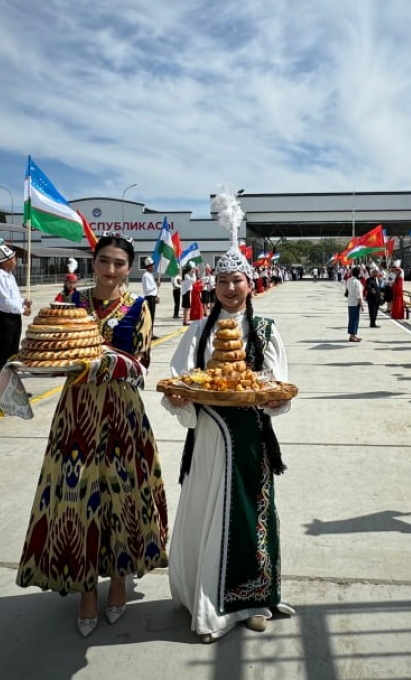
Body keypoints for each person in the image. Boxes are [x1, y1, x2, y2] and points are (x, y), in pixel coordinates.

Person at [17, 236, 168, 637]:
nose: (111, 269)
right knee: (76, 499)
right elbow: (52, 350)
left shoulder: (139, 308)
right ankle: (85, 588)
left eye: (119, 263)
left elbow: (141, 366)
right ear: (93, 262)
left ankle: (118, 580)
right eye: (104, 261)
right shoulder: (70, 302)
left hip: (122, 413)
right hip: (77, 413)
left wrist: (107, 359)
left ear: (129, 267)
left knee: (122, 497)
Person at [161, 231, 293, 643]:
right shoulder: (198, 331)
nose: (230, 289)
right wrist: (184, 396)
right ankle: (210, 600)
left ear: (251, 284)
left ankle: (252, 600)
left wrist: (265, 392)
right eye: (223, 282)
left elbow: (279, 387)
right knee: (207, 512)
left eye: (238, 281)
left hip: (252, 439)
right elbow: (181, 383)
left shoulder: (266, 330)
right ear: (212, 286)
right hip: (209, 438)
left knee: (251, 518)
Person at [0, 245, 32, 399]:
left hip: (14, 317)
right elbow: (4, 301)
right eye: (13, 258)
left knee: (13, 355)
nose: (15, 261)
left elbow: (13, 298)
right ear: (5, 261)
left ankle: (13, 388)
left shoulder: (10, 276)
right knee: (2, 355)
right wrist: (22, 310)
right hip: (5, 318)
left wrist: (23, 301)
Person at [140, 257, 160, 337]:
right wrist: (156, 285)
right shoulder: (146, 276)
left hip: (152, 297)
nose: (153, 267)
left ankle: (150, 333)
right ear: (148, 267)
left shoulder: (149, 275)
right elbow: (147, 289)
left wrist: (157, 296)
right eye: (151, 266)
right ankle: (149, 334)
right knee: (150, 317)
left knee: (152, 316)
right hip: (149, 298)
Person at [344, 266, 364, 342]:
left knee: (351, 319)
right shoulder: (357, 282)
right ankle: (352, 336)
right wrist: (362, 305)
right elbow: (358, 294)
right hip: (355, 302)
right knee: (355, 319)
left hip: (350, 301)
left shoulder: (349, 280)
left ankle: (353, 335)